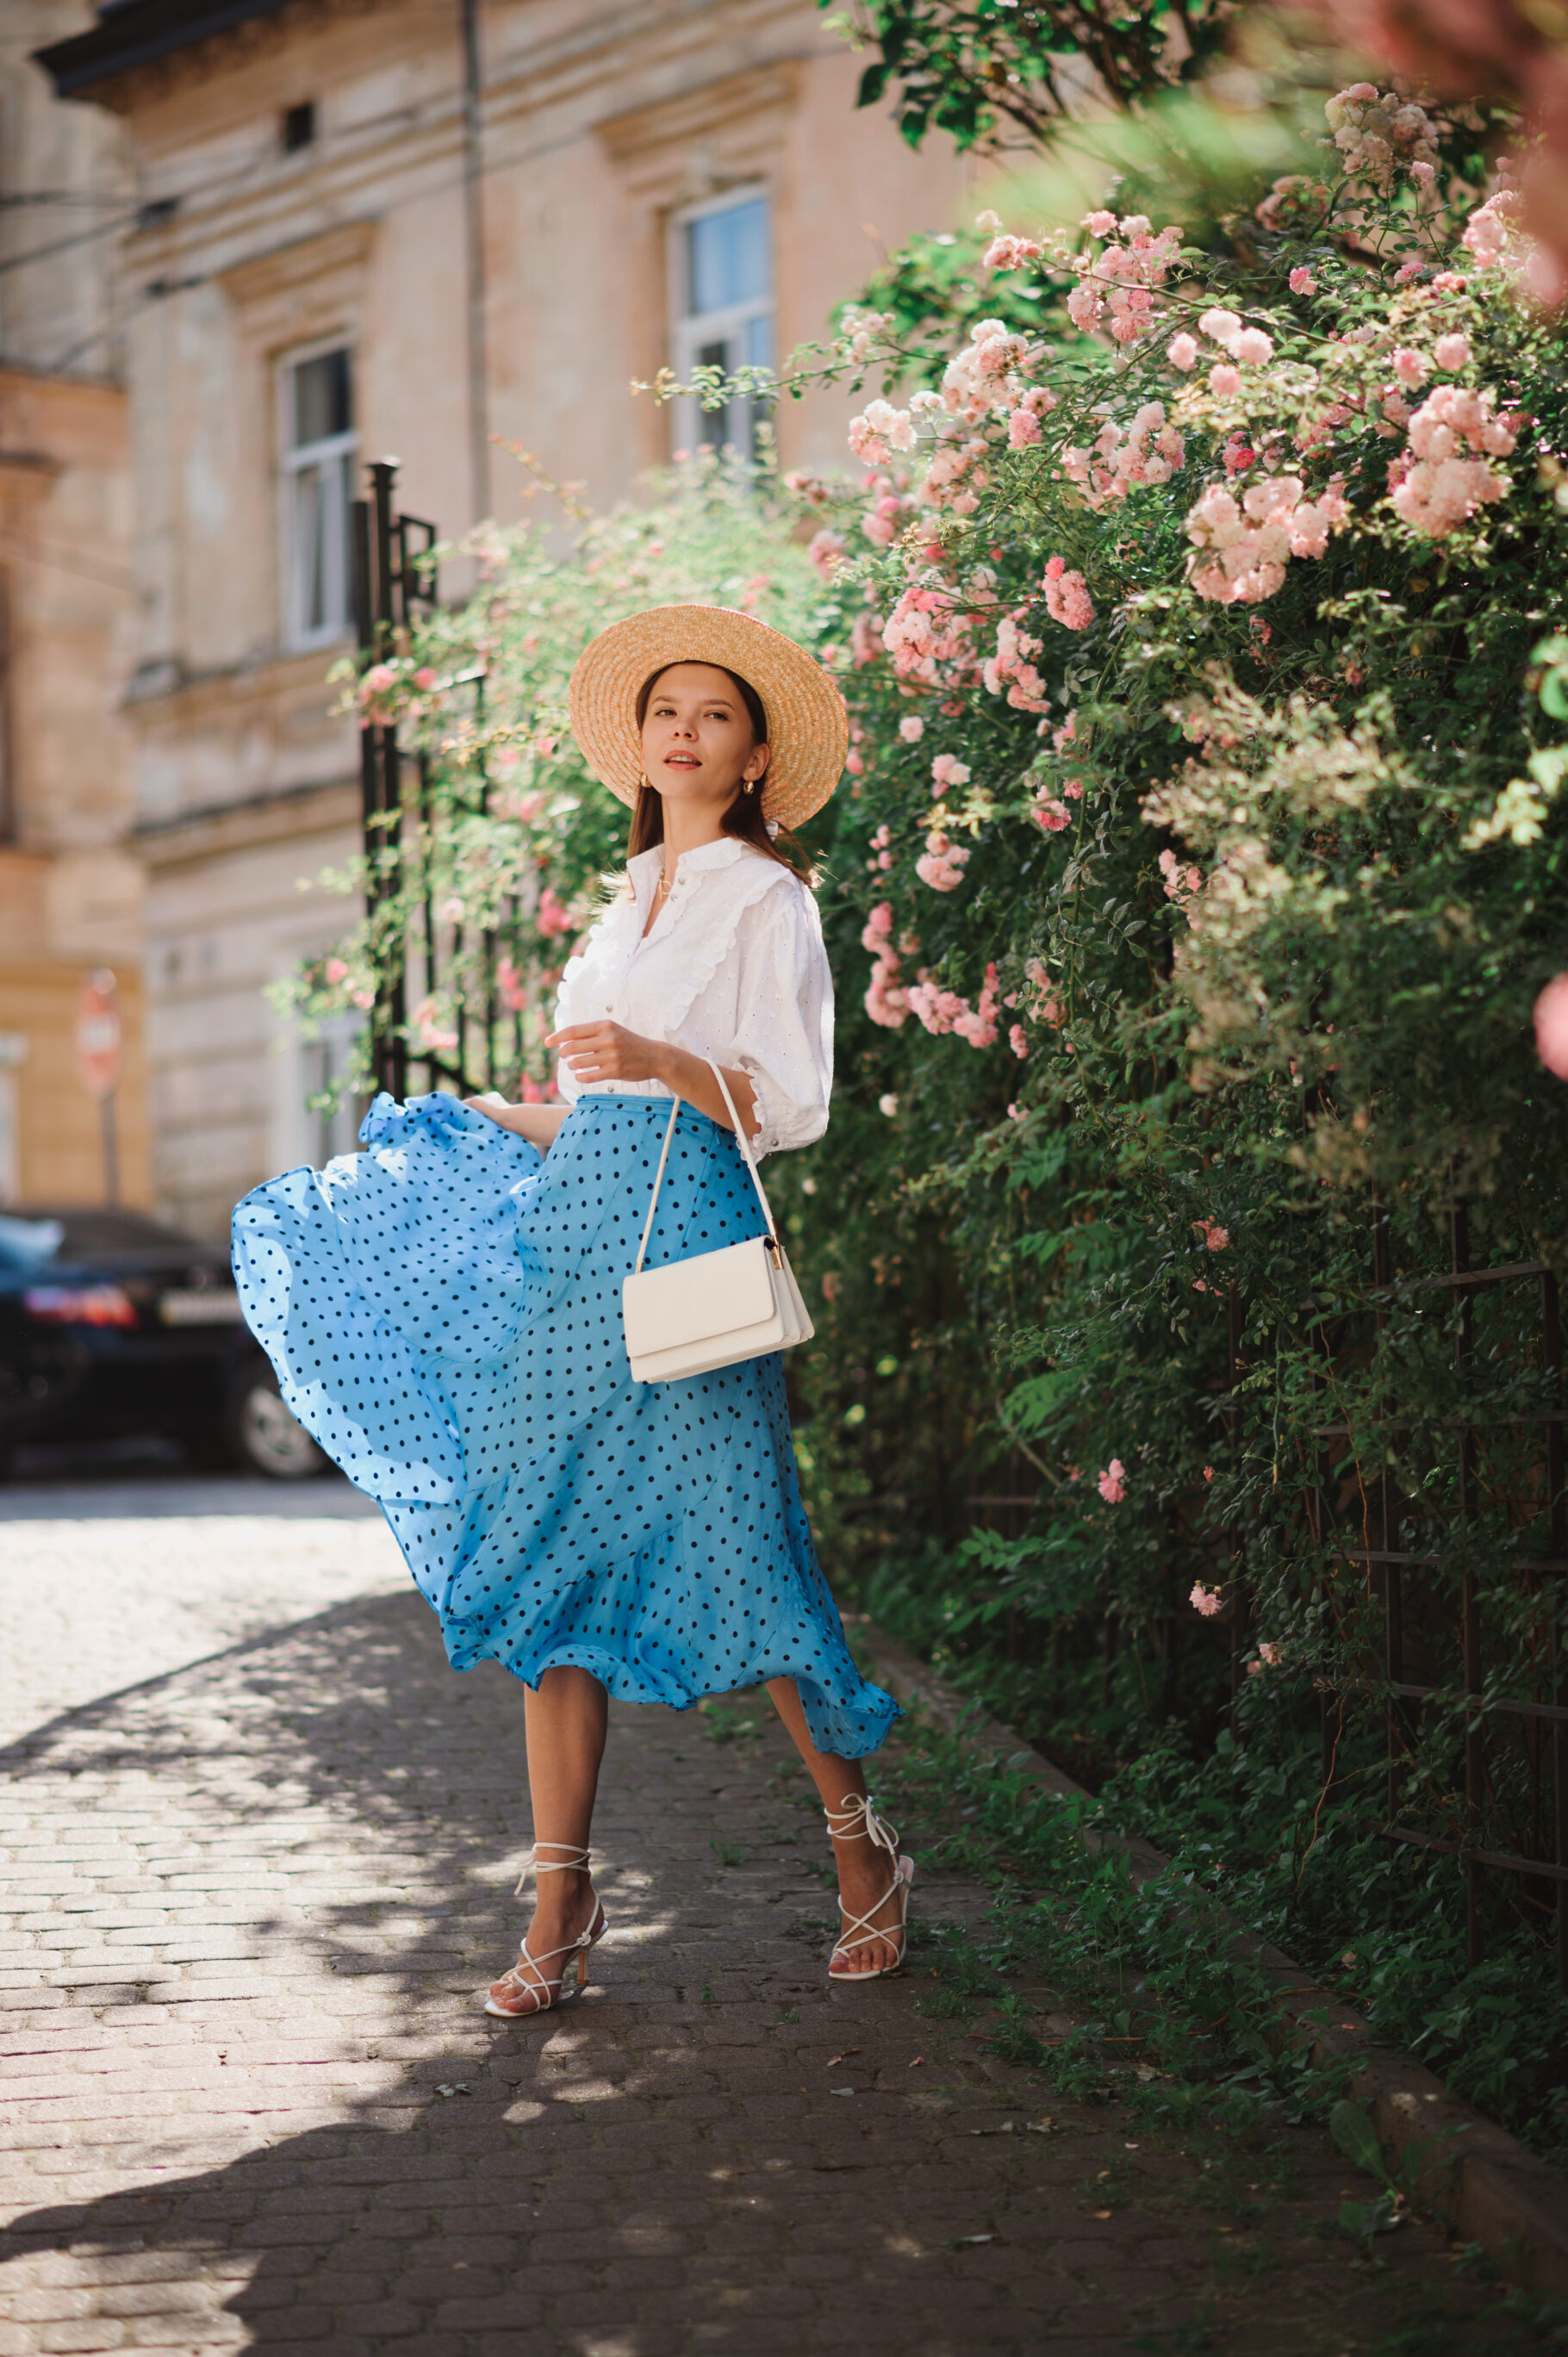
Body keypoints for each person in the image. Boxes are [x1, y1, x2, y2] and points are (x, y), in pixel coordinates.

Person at [232, 603, 909, 2022]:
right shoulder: (620, 911)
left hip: (690, 1231)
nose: (685, 729)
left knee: (742, 1542)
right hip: (575, 1238)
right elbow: (599, 1107)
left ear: (754, 752)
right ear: (641, 748)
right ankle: (559, 1900)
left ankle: (863, 1861)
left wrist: (663, 1050)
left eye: (715, 713)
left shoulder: (765, 898)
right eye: (667, 710)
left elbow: (787, 1105)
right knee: (542, 1567)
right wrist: (492, 1111)